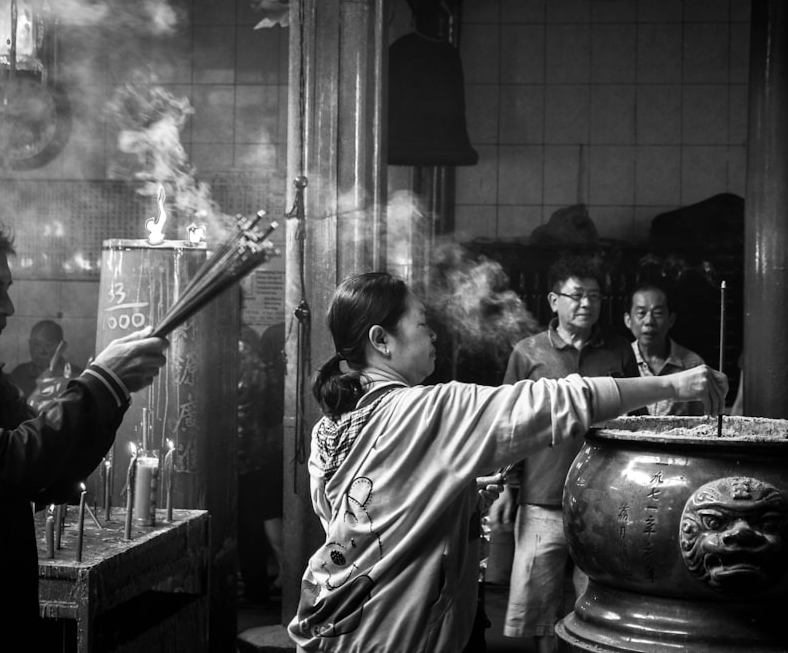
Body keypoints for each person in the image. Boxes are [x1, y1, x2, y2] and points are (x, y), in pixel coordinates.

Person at [287, 271, 727, 652]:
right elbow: (561, 399)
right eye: (422, 325)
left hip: (328, 618)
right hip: (391, 634)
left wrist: (457, 491)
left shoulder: (332, 423)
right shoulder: (426, 409)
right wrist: (674, 384)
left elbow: (352, 516)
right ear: (381, 341)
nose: (433, 335)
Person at [0, 204, 169, 652]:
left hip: (0, 624)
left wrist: (112, 395)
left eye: (7, 288)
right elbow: (7, 464)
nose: (8, 307)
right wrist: (98, 383)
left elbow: (50, 476)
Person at [490, 254, 638, 653]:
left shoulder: (620, 351)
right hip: (542, 495)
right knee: (540, 599)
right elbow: (509, 427)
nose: (586, 303)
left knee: (597, 598)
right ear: (554, 301)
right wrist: (508, 489)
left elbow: (634, 422)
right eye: (576, 295)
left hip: (604, 500)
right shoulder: (528, 352)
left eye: (594, 295)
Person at [236, 322, 285, 604]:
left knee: (244, 523)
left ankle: (247, 589)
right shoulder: (254, 357)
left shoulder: (228, 354)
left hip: (233, 452)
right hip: (260, 450)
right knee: (251, 524)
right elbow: (273, 410)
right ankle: (256, 589)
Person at [623, 281, 707, 416]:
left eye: (658, 313)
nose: (649, 321)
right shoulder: (619, 360)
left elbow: (702, 421)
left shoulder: (693, 364)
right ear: (628, 320)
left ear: (671, 320)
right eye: (641, 313)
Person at [8, 318, 72, 403]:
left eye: (48, 345)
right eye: (36, 344)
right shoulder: (19, 374)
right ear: (29, 344)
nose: (41, 351)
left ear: (61, 347)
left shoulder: (74, 378)